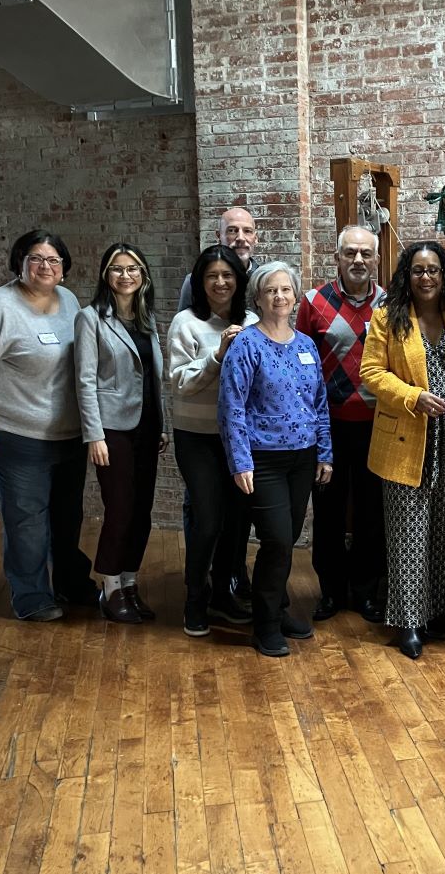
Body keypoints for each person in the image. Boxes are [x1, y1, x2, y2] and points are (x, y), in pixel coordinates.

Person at [0, 229, 97, 620]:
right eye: (35, 258)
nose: (45, 267)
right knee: (27, 521)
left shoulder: (68, 301)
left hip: (68, 435)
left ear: (64, 270)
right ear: (20, 264)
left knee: (67, 518)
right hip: (16, 436)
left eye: (54, 260)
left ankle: (70, 582)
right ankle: (31, 595)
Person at [360, 241, 445, 659]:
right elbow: (370, 372)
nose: (426, 278)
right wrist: (413, 396)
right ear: (406, 276)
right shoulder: (388, 318)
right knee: (408, 534)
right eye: (417, 271)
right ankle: (409, 622)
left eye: (433, 270)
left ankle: (438, 612)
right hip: (406, 442)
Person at [219, 261, 332, 657]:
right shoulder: (246, 345)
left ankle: (279, 608)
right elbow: (231, 407)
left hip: (302, 459)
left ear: (295, 296)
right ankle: (264, 625)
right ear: (258, 298)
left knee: (288, 537)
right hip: (263, 459)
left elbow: (319, 403)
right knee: (278, 540)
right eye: (271, 291)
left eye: (286, 290)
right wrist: (241, 462)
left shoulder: (306, 345)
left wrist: (325, 452)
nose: (279, 297)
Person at [295, 225, 387, 624]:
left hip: (377, 425)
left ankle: (365, 591)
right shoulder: (313, 302)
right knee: (328, 511)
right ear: (337, 258)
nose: (358, 260)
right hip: (327, 425)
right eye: (350, 253)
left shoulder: (391, 304)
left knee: (371, 511)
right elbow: (296, 362)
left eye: (366, 253)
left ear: (377, 260)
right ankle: (330, 591)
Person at [75, 243, 167, 623]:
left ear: (143, 275)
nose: (125, 275)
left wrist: (161, 424)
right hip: (111, 428)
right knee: (120, 507)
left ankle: (130, 581)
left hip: (147, 426)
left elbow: (154, 379)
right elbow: (84, 380)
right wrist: (93, 435)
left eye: (133, 268)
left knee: (142, 509)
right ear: (104, 274)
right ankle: (110, 587)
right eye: (117, 268)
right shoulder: (90, 318)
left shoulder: (148, 320)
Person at [168, 246, 257, 636]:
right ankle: (195, 598)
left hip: (239, 439)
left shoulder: (253, 321)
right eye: (211, 276)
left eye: (228, 276)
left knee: (238, 522)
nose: (220, 283)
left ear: (239, 280)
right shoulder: (185, 323)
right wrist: (218, 357)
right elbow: (180, 384)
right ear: (199, 283)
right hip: (197, 437)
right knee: (207, 520)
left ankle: (223, 594)